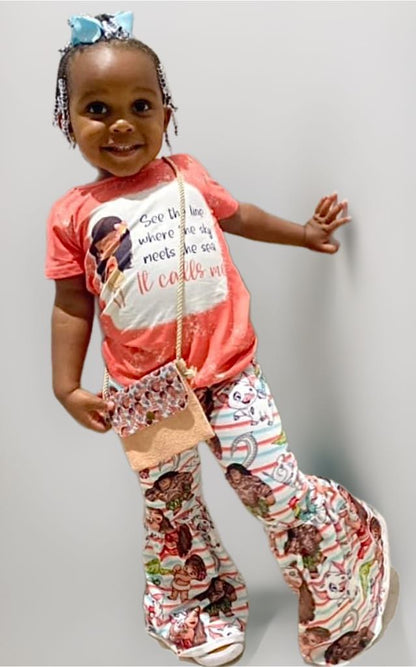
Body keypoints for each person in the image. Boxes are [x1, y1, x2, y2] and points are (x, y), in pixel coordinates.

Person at [45, 11, 396, 667]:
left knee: (272, 487)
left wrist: (304, 234)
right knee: (170, 506)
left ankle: (344, 554)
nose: (120, 124)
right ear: (68, 121)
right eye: (97, 109)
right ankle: (194, 607)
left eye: (140, 105)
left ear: (166, 111)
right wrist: (66, 385)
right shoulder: (73, 215)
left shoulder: (188, 177)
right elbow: (71, 304)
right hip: (146, 393)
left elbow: (243, 216)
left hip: (229, 373)